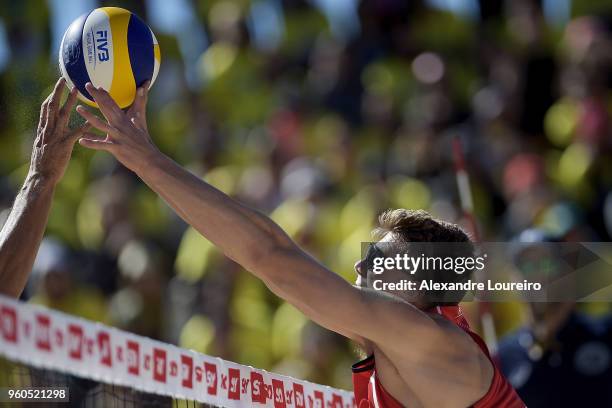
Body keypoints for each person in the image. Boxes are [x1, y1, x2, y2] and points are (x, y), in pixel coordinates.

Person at [71, 81, 525, 407]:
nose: (362, 267)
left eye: (380, 258)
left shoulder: (429, 340)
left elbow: (270, 256)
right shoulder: (402, 346)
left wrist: (147, 161)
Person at [498, 229, 612, 407]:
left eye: (546, 264)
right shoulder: (502, 358)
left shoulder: (606, 334)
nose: (536, 275)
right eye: (526, 267)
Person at [0, 78, 89, 298]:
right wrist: (41, 176)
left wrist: (42, 175)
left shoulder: (76, 174)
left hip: (68, 245)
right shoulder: (14, 180)